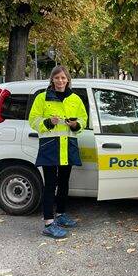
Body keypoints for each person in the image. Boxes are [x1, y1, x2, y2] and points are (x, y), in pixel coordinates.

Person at [28, 65, 88, 239]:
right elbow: (33, 120)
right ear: (52, 80)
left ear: (68, 79)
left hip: (68, 146)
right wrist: (48, 122)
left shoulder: (75, 99)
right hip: (50, 146)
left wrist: (76, 125)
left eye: (63, 78)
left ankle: (61, 215)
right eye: (57, 78)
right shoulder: (42, 98)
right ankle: (48, 222)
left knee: (64, 183)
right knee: (50, 185)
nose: (60, 81)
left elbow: (83, 119)